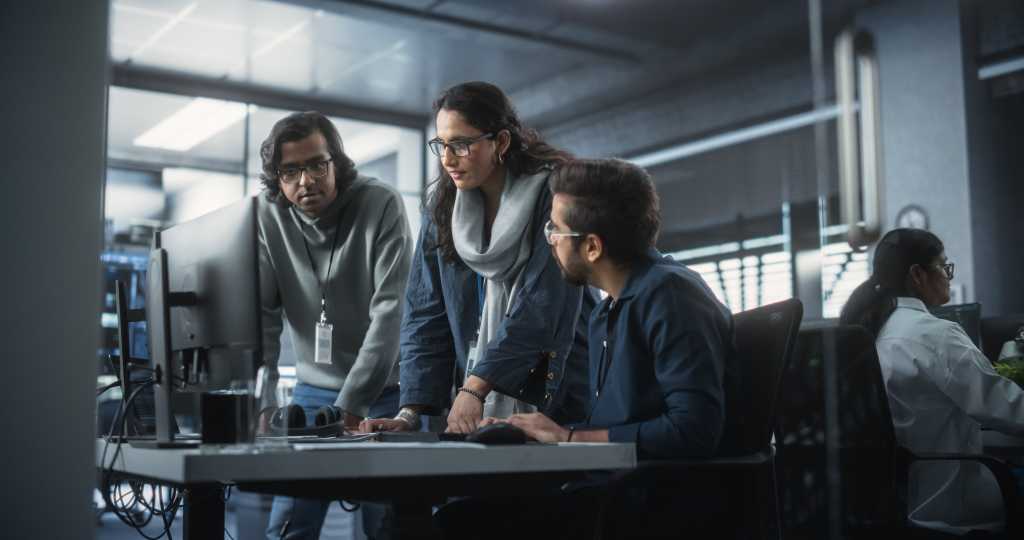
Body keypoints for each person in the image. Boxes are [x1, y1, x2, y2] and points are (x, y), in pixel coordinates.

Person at [437, 158, 736, 538]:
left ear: (592, 246)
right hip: (612, 491)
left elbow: (693, 430)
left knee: (461, 522)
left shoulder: (670, 296)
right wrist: (537, 430)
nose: (550, 241)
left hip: (647, 504)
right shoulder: (608, 309)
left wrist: (570, 438)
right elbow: (613, 426)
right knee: (464, 512)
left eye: (555, 230)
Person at [360, 81, 593, 435]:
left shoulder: (554, 198)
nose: (447, 159)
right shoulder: (443, 208)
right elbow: (426, 314)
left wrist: (476, 386)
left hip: (555, 391)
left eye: (462, 144)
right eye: (441, 144)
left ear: (500, 142)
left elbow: (540, 306)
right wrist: (409, 413)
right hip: (477, 401)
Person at [255, 111, 413, 539]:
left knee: (384, 526)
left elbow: (390, 313)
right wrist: (263, 402)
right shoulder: (269, 217)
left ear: (336, 162)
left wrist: (352, 404)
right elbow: (263, 321)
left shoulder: (380, 203)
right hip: (312, 391)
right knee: (288, 527)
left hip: (386, 393)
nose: (305, 181)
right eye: (290, 171)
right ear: (277, 177)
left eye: (316, 165)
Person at [840, 228, 1024, 535]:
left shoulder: (871, 332)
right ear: (917, 274)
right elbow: (1008, 409)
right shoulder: (935, 334)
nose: (948, 275)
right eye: (943, 265)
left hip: (899, 507)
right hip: (953, 508)